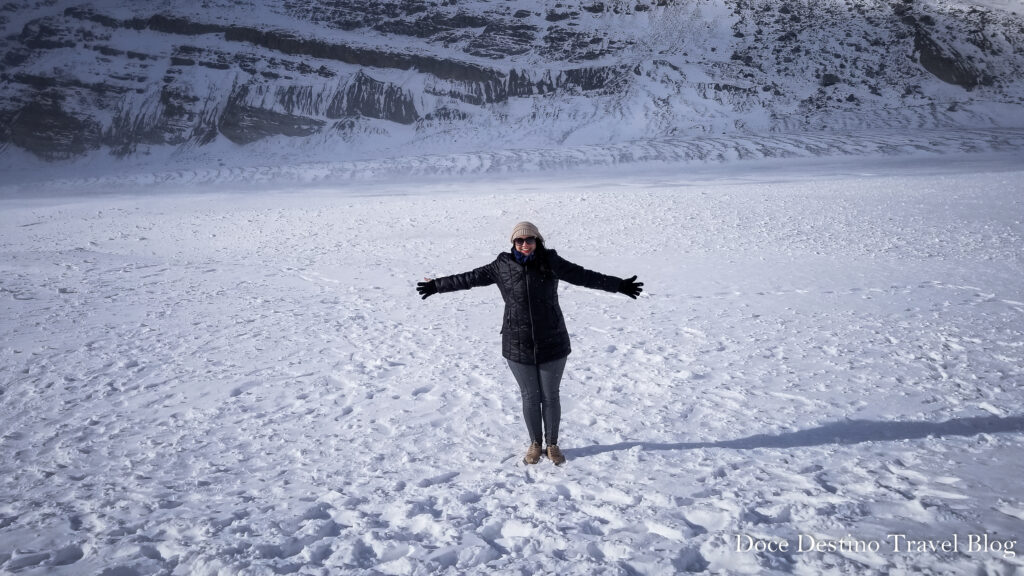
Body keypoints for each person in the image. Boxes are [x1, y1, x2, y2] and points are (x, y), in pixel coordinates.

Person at [416, 222, 643, 465]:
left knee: (550, 395)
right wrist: (437, 285)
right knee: (530, 396)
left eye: (530, 240)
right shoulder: (501, 266)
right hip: (517, 342)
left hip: (552, 340)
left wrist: (619, 285)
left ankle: (552, 444)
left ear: (538, 241)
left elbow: (583, 276)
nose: (525, 244)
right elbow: (469, 278)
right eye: (519, 241)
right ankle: (535, 443)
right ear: (512, 243)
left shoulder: (551, 262)